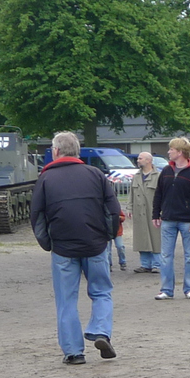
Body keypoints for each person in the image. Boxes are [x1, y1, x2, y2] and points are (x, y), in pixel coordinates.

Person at [30, 131, 122, 364]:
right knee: (102, 292)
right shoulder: (96, 174)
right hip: (95, 244)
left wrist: (47, 243)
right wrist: (107, 237)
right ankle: (101, 331)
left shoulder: (46, 179)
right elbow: (113, 210)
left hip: (63, 248)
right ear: (77, 151)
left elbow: (37, 216)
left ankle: (73, 352)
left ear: (56, 152)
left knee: (66, 300)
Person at [152, 137, 190, 300]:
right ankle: (166, 289)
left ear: (180, 152)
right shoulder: (166, 172)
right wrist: (156, 214)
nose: (168, 152)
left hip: (187, 221)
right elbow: (158, 193)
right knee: (166, 256)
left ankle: (189, 288)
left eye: (171, 149)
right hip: (168, 219)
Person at [129, 151, 163, 272]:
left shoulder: (158, 176)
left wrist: (161, 212)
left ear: (149, 160)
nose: (138, 160)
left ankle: (157, 265)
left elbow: (163, 195)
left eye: (140, 158)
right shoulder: (136, 176)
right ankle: (145, 265)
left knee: (156, 238)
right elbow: (131, 194)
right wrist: (129, 207)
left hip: (153, 212)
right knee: (141, 238)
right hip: (139, 212)